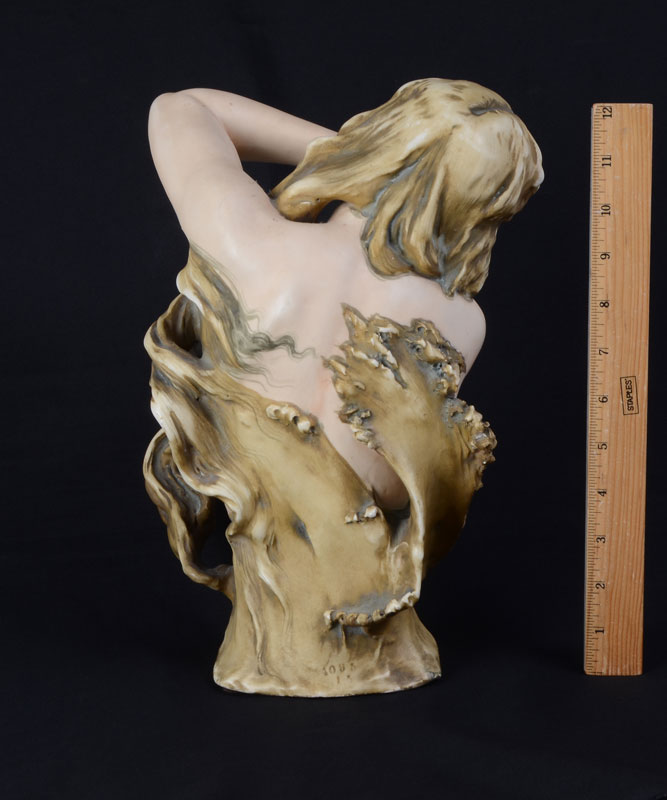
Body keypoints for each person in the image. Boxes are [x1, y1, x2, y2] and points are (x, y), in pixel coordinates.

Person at [147, 79, 543, 510]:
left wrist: (359, 153)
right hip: (359, 544)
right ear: (485, 212)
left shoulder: (249, 240)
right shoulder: (462, 322)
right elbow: (393, 490)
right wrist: (419, 162)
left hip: (237, 522)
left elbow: (182, 108)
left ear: (382, 135)